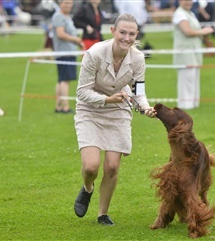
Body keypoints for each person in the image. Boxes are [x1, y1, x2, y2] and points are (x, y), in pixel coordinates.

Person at [73, 13, 157, 226]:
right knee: (91, 167)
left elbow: (139, 91)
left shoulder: (138, 58)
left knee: (111, 166)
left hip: (118, 110)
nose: (127, 38)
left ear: (136, 35)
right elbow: (82, 92)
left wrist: (146, 108)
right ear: (113, 31)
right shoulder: (94, 54)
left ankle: (102, 214)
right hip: (90, 109)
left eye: (131, 34)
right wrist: (107, 99)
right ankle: (87, 188)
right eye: (122, 32)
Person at [172, 0, 214, 109]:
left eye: (190, 0)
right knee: (187, 80)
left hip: (194, 52)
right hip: (185, 52)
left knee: (193, 79)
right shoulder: (179, 13)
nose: (188, 2)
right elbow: (187, 31)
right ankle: (186, 105)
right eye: (185, 0)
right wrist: (203, 32)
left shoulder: (190, 13)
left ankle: (193, 104)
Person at [52, 0, 84, 113]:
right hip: (64, 52)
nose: (68, 5)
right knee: (65, 80)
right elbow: (60, 34)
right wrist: (76, 39)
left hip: (69, 52)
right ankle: (64, 107)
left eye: (69, 3)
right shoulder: (58, 16)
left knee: (62, 79)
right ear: (60, 4)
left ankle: (59, 106)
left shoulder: (67, 17)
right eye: (65, 3)